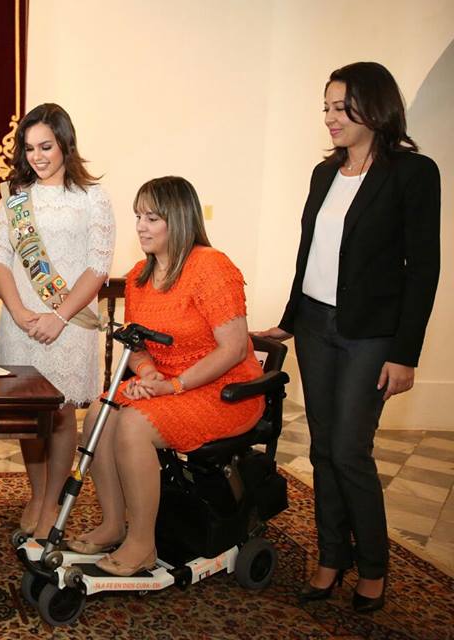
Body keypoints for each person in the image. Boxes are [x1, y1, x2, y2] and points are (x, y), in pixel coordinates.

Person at [256, 62, 440, 613]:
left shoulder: (413, 172)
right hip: (315, 325)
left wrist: (405, 354)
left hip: (370, 336)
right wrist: (289, 320)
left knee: (349, 450)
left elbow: (422, 269)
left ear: (375, 107)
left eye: (341, 108)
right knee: (320, 449)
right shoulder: (324, 174)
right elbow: (309, 252)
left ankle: (375, 565)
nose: (331, 119)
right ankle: (332, 556)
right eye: (327, 109)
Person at [67, 176, 265, 577]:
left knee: (133, 426)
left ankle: (141, 543)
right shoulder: (141, 273)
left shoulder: (211, 266)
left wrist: (173, 385)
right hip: (167, 384)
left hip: (224, 391)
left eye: (152, 217)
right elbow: (137, 344)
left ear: (178, 218)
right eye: (138, 216)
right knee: (99, 416)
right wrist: (148, 372)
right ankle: (112, 523)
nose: (140, 225)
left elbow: (232, 347)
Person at [0, 103, 115, 539]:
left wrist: (59, 316)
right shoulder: (15, 197)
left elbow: (98, 267)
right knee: (29, 413)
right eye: (29, 148)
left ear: (65, 144)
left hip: (68, 323)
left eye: (46, 146)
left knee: (60, 414)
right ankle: (37, 493)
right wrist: (20, 312)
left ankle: (52, 502)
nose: (38, 156)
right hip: (22, 323)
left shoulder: (92, 198)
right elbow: (0, 258)